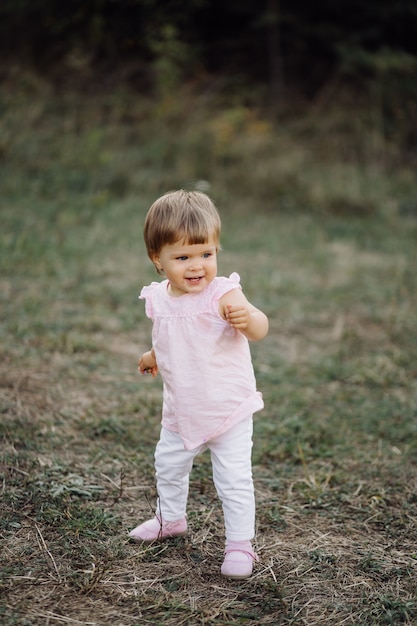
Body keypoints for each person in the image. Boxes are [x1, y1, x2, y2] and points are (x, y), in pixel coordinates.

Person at [129, 189, 268, 579]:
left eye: (206, 254)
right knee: (168, 466)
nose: (197, 266)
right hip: (181, 409)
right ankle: (170, 518)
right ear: (158, 259)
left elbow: (260, 327)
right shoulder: (158, 299)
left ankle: (240, 545)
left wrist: (248, 320)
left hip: (227, 409)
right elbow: (171, 337)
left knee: (233, 479)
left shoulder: (223, 293)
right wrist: (153, 356)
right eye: (183, 257)